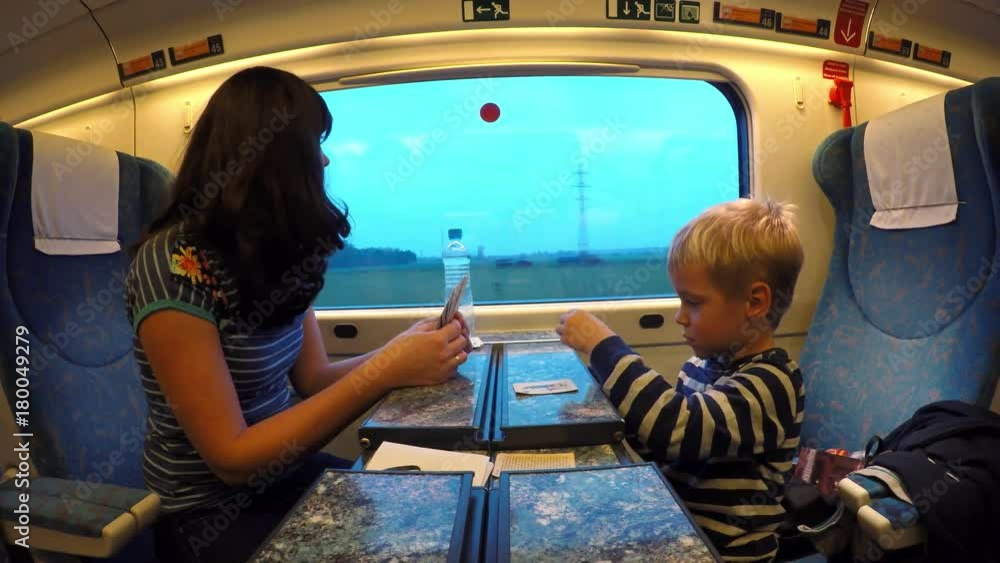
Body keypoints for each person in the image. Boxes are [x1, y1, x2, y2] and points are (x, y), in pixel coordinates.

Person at [124, 66, 470, 563]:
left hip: (290, 477)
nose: (325, 157)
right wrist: (386, 370)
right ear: (270, 157)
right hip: (210, 515)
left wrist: (401, 350)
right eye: (315, 142)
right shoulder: (172, 264)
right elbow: (233, 460)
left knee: (444, 513)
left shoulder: (276, 249)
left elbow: (313, 378)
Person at [556, 198, 806, 562]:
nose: (680, 317)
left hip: (725, 554)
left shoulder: (772, 384)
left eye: (693, 303)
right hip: (681, 533)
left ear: (755, 302)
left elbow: (675, 428)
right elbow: (654, 443)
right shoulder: (697, 368)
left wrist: (603, 347)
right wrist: (598, 410)